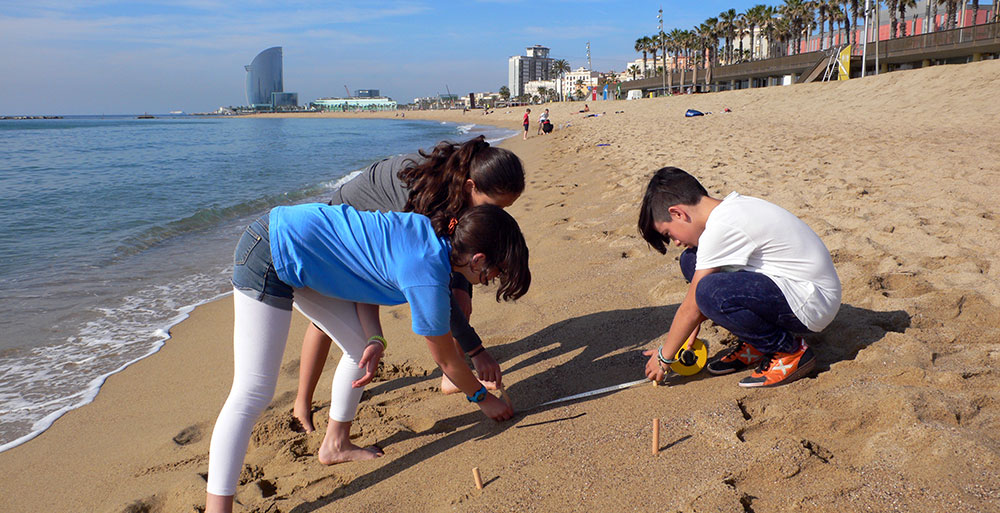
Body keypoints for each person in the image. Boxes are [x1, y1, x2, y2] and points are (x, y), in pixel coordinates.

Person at [205, 203, 530, 513]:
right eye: (497, 272)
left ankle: (335, 445)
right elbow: (446, 361)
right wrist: (482, 398)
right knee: (254, 391)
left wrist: (375, 338)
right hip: (270, 252)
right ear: (477, 259)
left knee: (360, 349)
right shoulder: (427, 274)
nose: (494, 280)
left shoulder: (430, 235)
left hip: (300, 244)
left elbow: (362, 277)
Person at [293, 136, 526, 432]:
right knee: (333, 315)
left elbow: (454, 264)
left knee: (461, 297)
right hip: (355, 220)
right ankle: (302, 403)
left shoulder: (463, 200)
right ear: (471, 187)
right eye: (496, 206)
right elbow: (430, 282)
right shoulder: (423, 199)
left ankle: (452, 375)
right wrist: (477, 351)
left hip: (417, 237)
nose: (498, 215)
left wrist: (469, 340)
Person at [637, 167, 841, 388]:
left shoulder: (722, 227)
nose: (675, 242)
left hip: (813, 304)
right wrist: (687, 331)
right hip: (795, 287)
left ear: (678, 213)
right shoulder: (728, 210)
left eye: (669, 233)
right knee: (691, 261)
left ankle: (789, 352)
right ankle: (756, 344)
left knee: (708, 291)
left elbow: (693, 305)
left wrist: (664, 357)